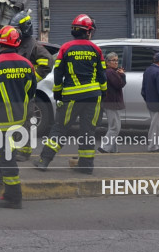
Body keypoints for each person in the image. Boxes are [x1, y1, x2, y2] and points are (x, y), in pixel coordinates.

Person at [35, 14, 106, 175]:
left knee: (60, 129)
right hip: (93, 98)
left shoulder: (66, 48)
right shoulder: (96, 49)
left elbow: (58, 73)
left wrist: (58, 93)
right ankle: (86, 166)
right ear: (88, 31)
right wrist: (103, 94)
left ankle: (44, 161)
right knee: (88, 132)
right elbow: (102, 75)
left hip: (71, 98)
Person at [0, 25, 36, 209]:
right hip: (19, 117)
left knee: (7, 154)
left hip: (0, 116)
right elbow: (31, 90)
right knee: (4, 147)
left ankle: (13, 196)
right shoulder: (27, 64)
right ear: (17, 43)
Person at [9, 10, 52, 162]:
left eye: (17, 29)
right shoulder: (16, 43)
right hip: (12, 90)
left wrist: (31, 80)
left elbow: (46, 64)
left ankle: (25, 151)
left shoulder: (34, 46)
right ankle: (13, 149)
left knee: (25, 120)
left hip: (25, 92)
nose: (15, 32)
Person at [99, 52, 125, 154]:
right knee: (115, 127)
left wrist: (119, 74)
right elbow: (119, 84)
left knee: (113, 126)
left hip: (111, 102)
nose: (116, 62)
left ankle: (113, 149)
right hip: (111, 102)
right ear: (107, 62)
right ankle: (104, 147)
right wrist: (122, 75)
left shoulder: (112, 72)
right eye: (113, 60)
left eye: (117, 60)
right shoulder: (110, 72)